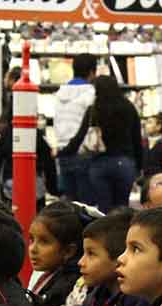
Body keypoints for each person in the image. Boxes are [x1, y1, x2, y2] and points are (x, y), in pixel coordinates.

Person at [63, 76, 142, 213]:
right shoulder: (128, 107)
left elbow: (79, 137)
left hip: (99, 164)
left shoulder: (94, 110)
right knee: (122, 209)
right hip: (124, 163)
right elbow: (137, 139)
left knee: (104, 209)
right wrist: (139, 166)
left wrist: (62, 152)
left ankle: (104, 233)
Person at [27, 202, 85, 306]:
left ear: (68, 251)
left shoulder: (69, 287)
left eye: (44, 242)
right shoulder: (47, 271)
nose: (32, 249)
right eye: (31, 239)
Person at [54, 54, 97, 205]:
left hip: (62, 151)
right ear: (92, 73)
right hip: (83, 153)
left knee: (69, 206)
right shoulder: (91, 94)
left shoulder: (59, 94)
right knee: (87, 206)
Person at [142, 112, 162, 178]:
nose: (146, 125)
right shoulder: (143, 142)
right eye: (146, 123)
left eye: (149, 122)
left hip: (159, 179)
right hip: (144, 179)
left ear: (158, 126)